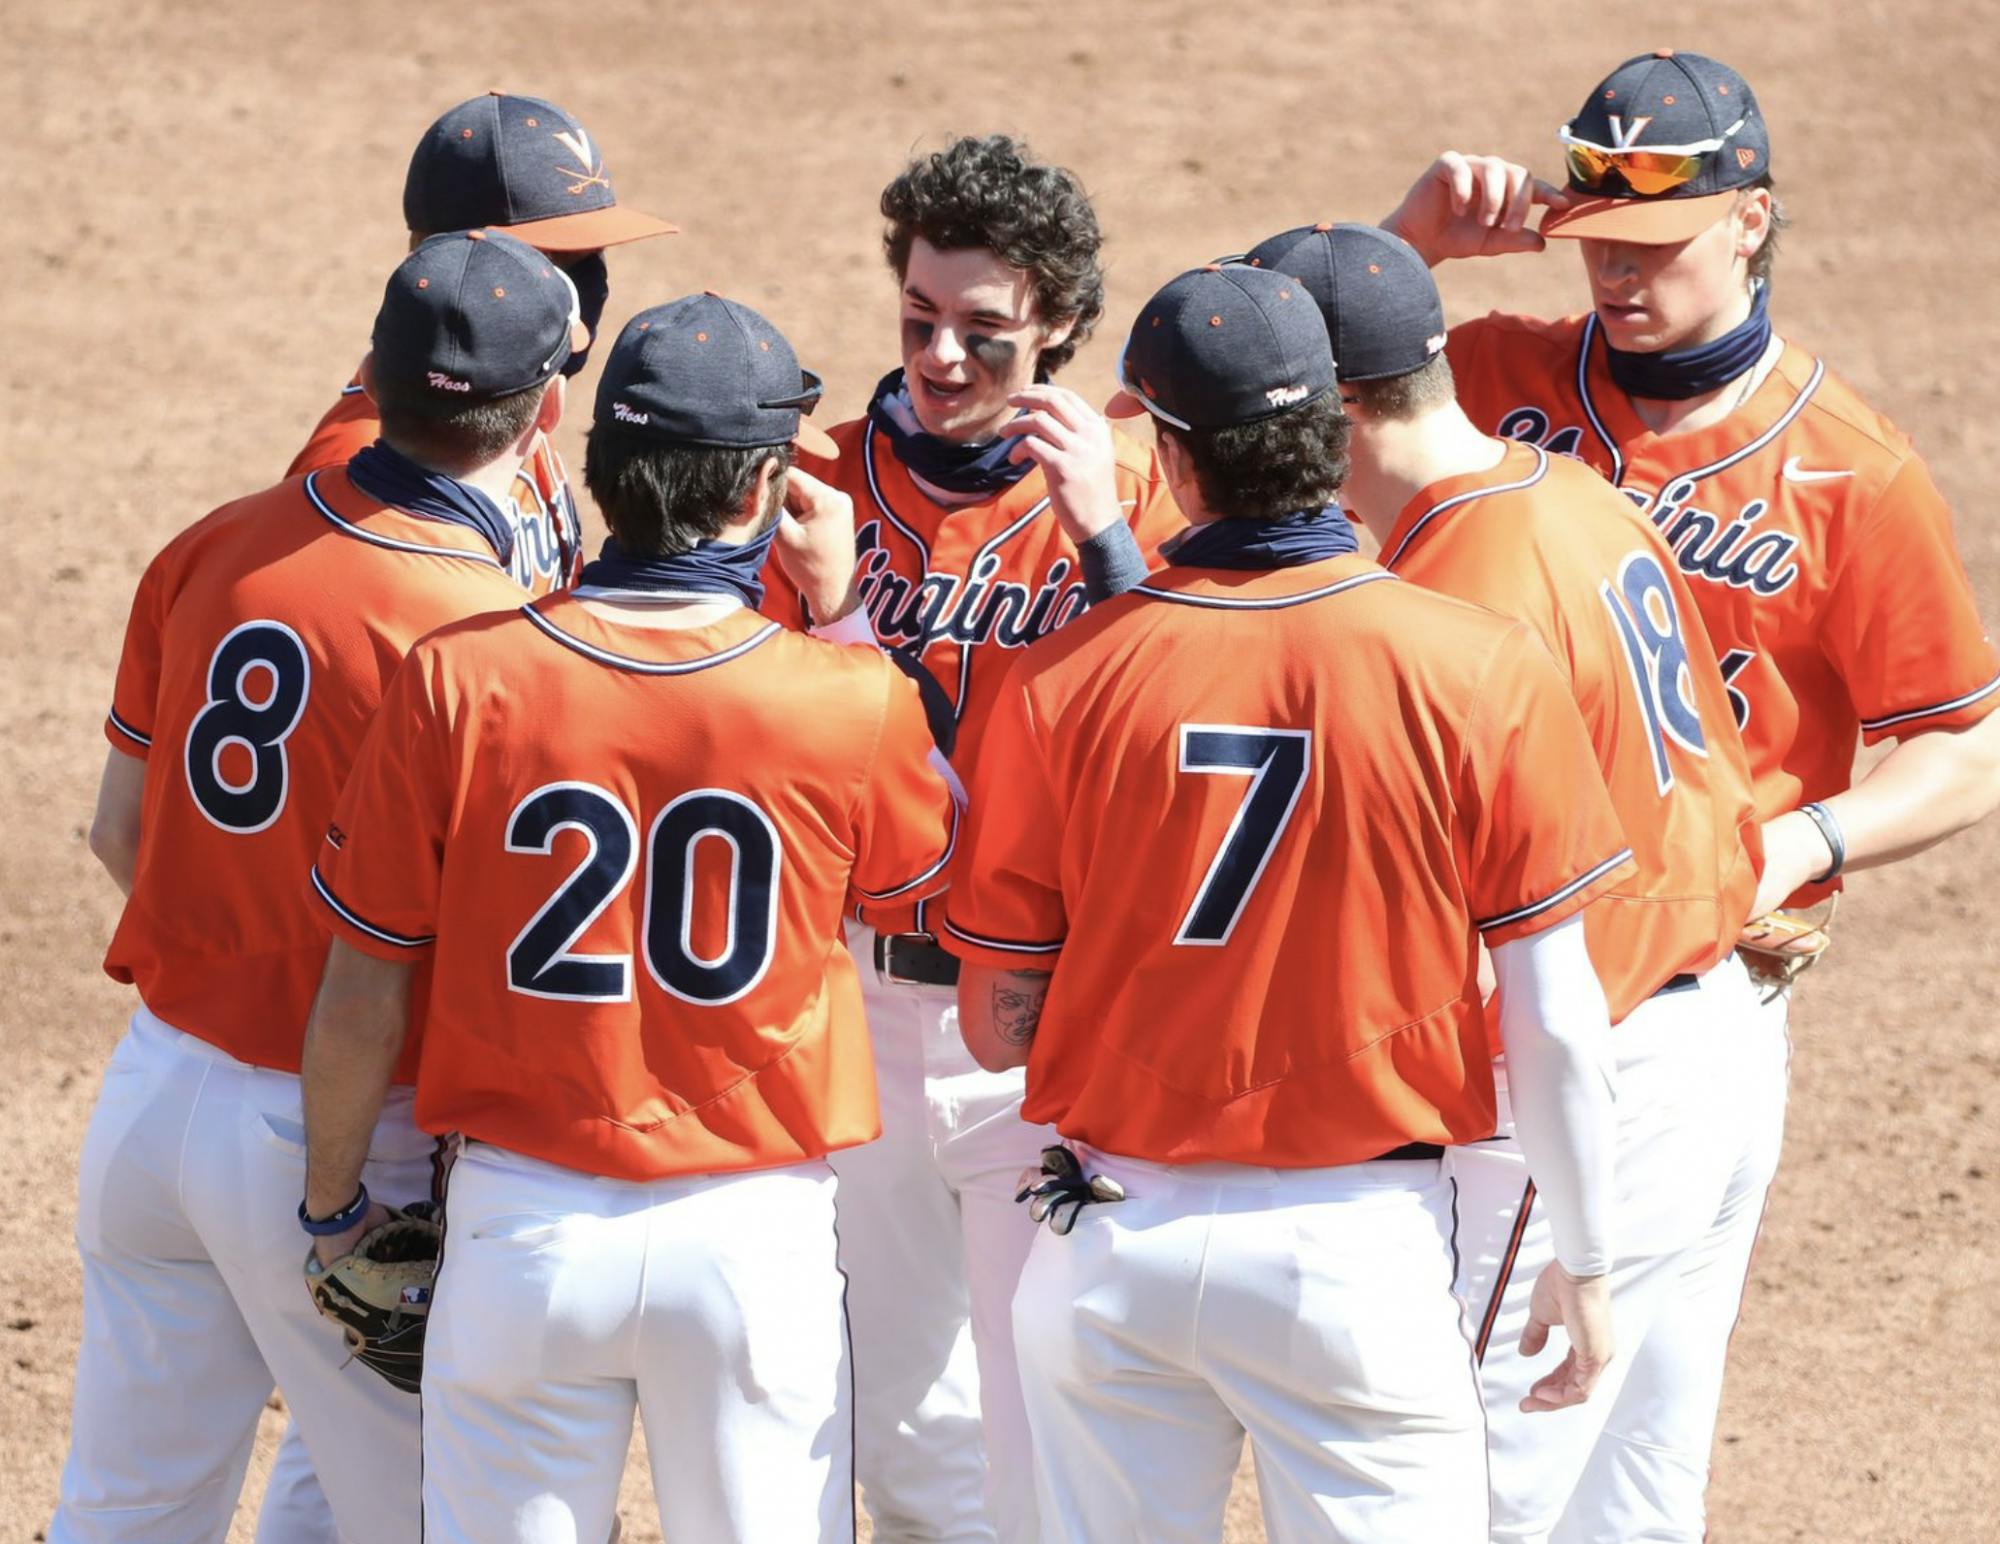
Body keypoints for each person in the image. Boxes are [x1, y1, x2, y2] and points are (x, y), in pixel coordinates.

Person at [1382, 48, 2000, 1538]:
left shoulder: (1850, 471)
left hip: (1685, 1011)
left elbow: (1965, 746)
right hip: (1558, 988)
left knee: (1559, 1472)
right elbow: (1250, 412)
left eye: (1656, 244)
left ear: (1753, 221)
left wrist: (1794, 844)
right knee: (1574, 1465)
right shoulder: (1497, 382)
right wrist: (1403, 254)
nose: (1617, 271)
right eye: (1596, 235)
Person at [940, 260, 1629, 1543]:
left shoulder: (1055, 681)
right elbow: (1555, 1016)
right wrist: (1584, 1259)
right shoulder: (1474, 667)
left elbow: (996, 1027)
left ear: (1178, 465)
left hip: (1108, 1242)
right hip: (1351, 1258)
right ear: (1330, 430)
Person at [298, 294, 959, 1544]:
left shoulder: (463, 674)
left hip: (522, 1232)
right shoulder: (845, 698)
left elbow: (362, 983)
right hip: (750, 1239)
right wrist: (840, 617)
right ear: (762, 488)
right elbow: (930, 884)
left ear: (599, 468)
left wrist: (334, 1206)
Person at [1241, 219, 1771, 1539]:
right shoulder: (1575, 495)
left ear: (1340, 408)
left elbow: (1471, 941)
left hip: (1583, 1105)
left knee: (1455, 1508)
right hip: (1722, 1055)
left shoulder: (1453, 598)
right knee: (1629, 1505)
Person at [56, 229, 579, 1544]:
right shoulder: (485, 634)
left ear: (372, 372)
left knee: (126, 1507)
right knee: (429, 1509)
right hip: (344, 1135)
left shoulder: (211, 546)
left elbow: (123, 831)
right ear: (550, 409)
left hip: (153, 1095)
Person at [757, 133, 1182, 1543]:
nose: (944, 359)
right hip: (863, 998)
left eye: (986, 336)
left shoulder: (1131, 489)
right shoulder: (813, 485)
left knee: (1051, 1395)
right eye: (919, 322)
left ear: (1060, 323)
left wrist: (1110, 544)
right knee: (900, 1424)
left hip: (1045, 1021)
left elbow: (1183, 730)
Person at [287, 91, 676, 594]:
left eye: (593, 258)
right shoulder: (367, 465)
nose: (590, 287)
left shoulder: (506, 400)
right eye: (564, 263)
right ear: (466, 262)